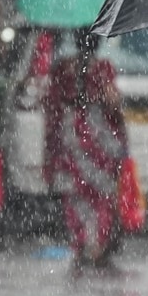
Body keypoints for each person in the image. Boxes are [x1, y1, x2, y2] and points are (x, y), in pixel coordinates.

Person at [44, 29, 126, 265]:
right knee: (101, 195)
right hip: (98, 136)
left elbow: (52, 106)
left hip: (70, 136)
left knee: (76, 195)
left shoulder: (63, 68)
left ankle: (82, 243)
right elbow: (113, 102)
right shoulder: (102, 69)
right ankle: (97, 245)